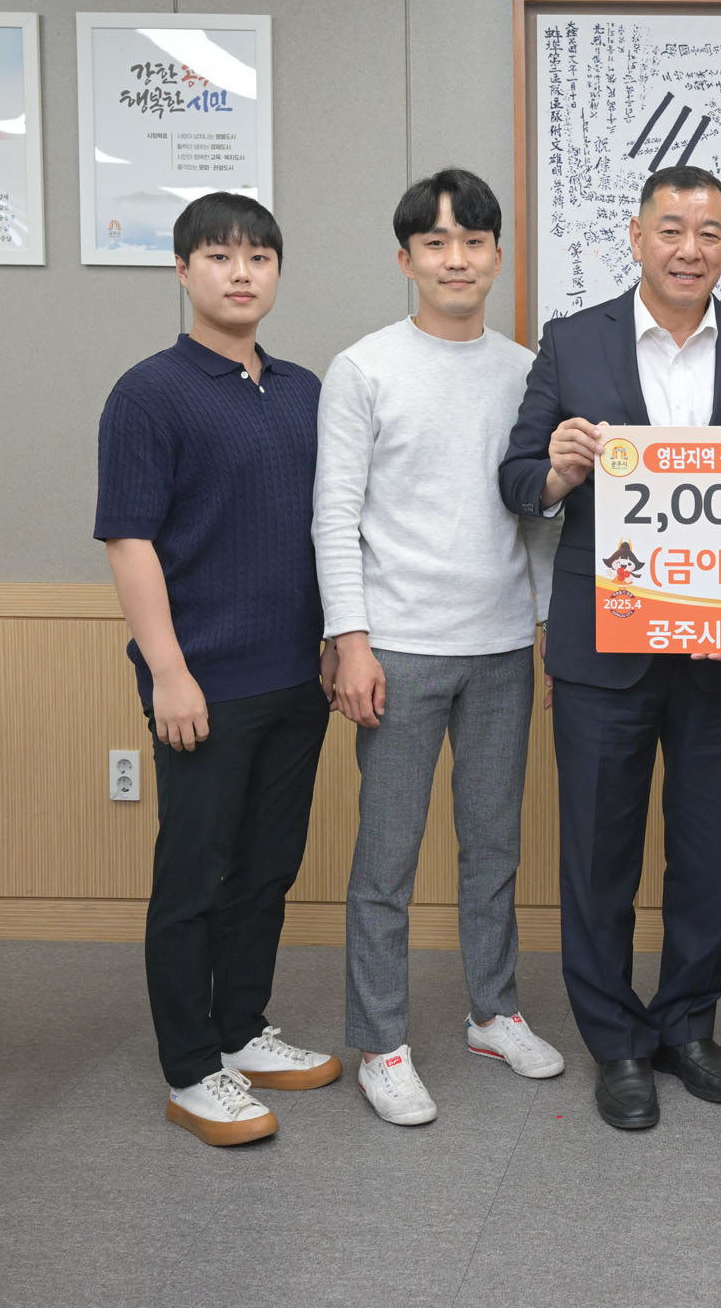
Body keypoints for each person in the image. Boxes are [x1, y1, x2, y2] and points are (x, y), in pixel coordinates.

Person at [497, 165, 721, 1131]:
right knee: (600, 853)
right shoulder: (571, 341)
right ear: (636, 239)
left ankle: (687, 1025)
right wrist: (556, 470)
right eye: (670, 229)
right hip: (603, 646)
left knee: (707, 852)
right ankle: (618, 1042)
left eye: (709, 232)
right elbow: (515, 479)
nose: (689, 248)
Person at [316, 169, 567, 1128]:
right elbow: (334, 516)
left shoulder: (526, 370)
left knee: (494, 848)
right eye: (435, 243)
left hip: (502, 646)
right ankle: (381, 1044)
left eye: (473, 241)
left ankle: (493, 1013)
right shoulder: (364, 367)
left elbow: (536, 516)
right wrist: (351, 640)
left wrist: (548, 632)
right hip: (399, 649)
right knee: (386, 861)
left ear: (498, 254)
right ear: (406, 259)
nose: (455, 259)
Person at [95, 193, 341, 1148]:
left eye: (259, 257)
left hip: (297, 677)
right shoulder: (149, 393)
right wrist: (168, 671)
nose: (241, 273)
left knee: (267, 870)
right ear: (182, 268)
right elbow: (129, 541)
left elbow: (330, 528)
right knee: (194, 877)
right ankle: (193, 1069)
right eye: (219, 256)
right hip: (202, 682)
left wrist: (337, 638)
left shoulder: (306, 390)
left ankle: (241, 1028)